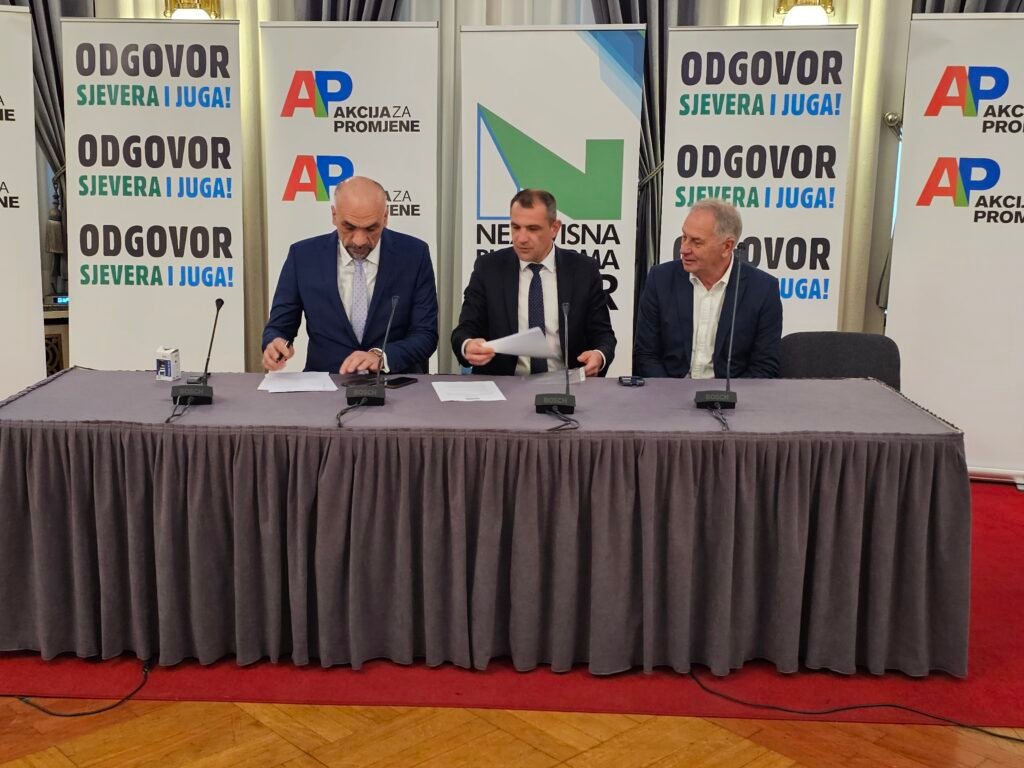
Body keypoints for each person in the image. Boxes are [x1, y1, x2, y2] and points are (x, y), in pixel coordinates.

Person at [262, 176, 438, 374]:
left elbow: (426, 334)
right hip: (326, 382)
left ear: (385, 217)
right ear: (334, 215)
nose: (359, 240)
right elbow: (279, 327)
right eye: (349, 227)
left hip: (395, 383)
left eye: (371, 228)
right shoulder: (303, 256)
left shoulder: (414, 255)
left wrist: (381, 357)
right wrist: (275, 344)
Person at [451, 189, 616, 377]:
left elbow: (604, 336)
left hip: (566, 384)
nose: (521, 238)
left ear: (554, 228)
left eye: (532, 229)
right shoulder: (488, 268)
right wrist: (468, 345)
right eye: (515, 227)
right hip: (504, 385)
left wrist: (599, 356)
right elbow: (464, 331)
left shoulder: (583, 270)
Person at [633, 199, 782, 378]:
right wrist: (667, 392)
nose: (684, 249)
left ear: (727, 246)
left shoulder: (763, 290)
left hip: (731, 393)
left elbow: (764, 367)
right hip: (669, 390)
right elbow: (646, 355)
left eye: (696, 242)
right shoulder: (660, 279)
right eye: (684, 237)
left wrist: (729, 395)